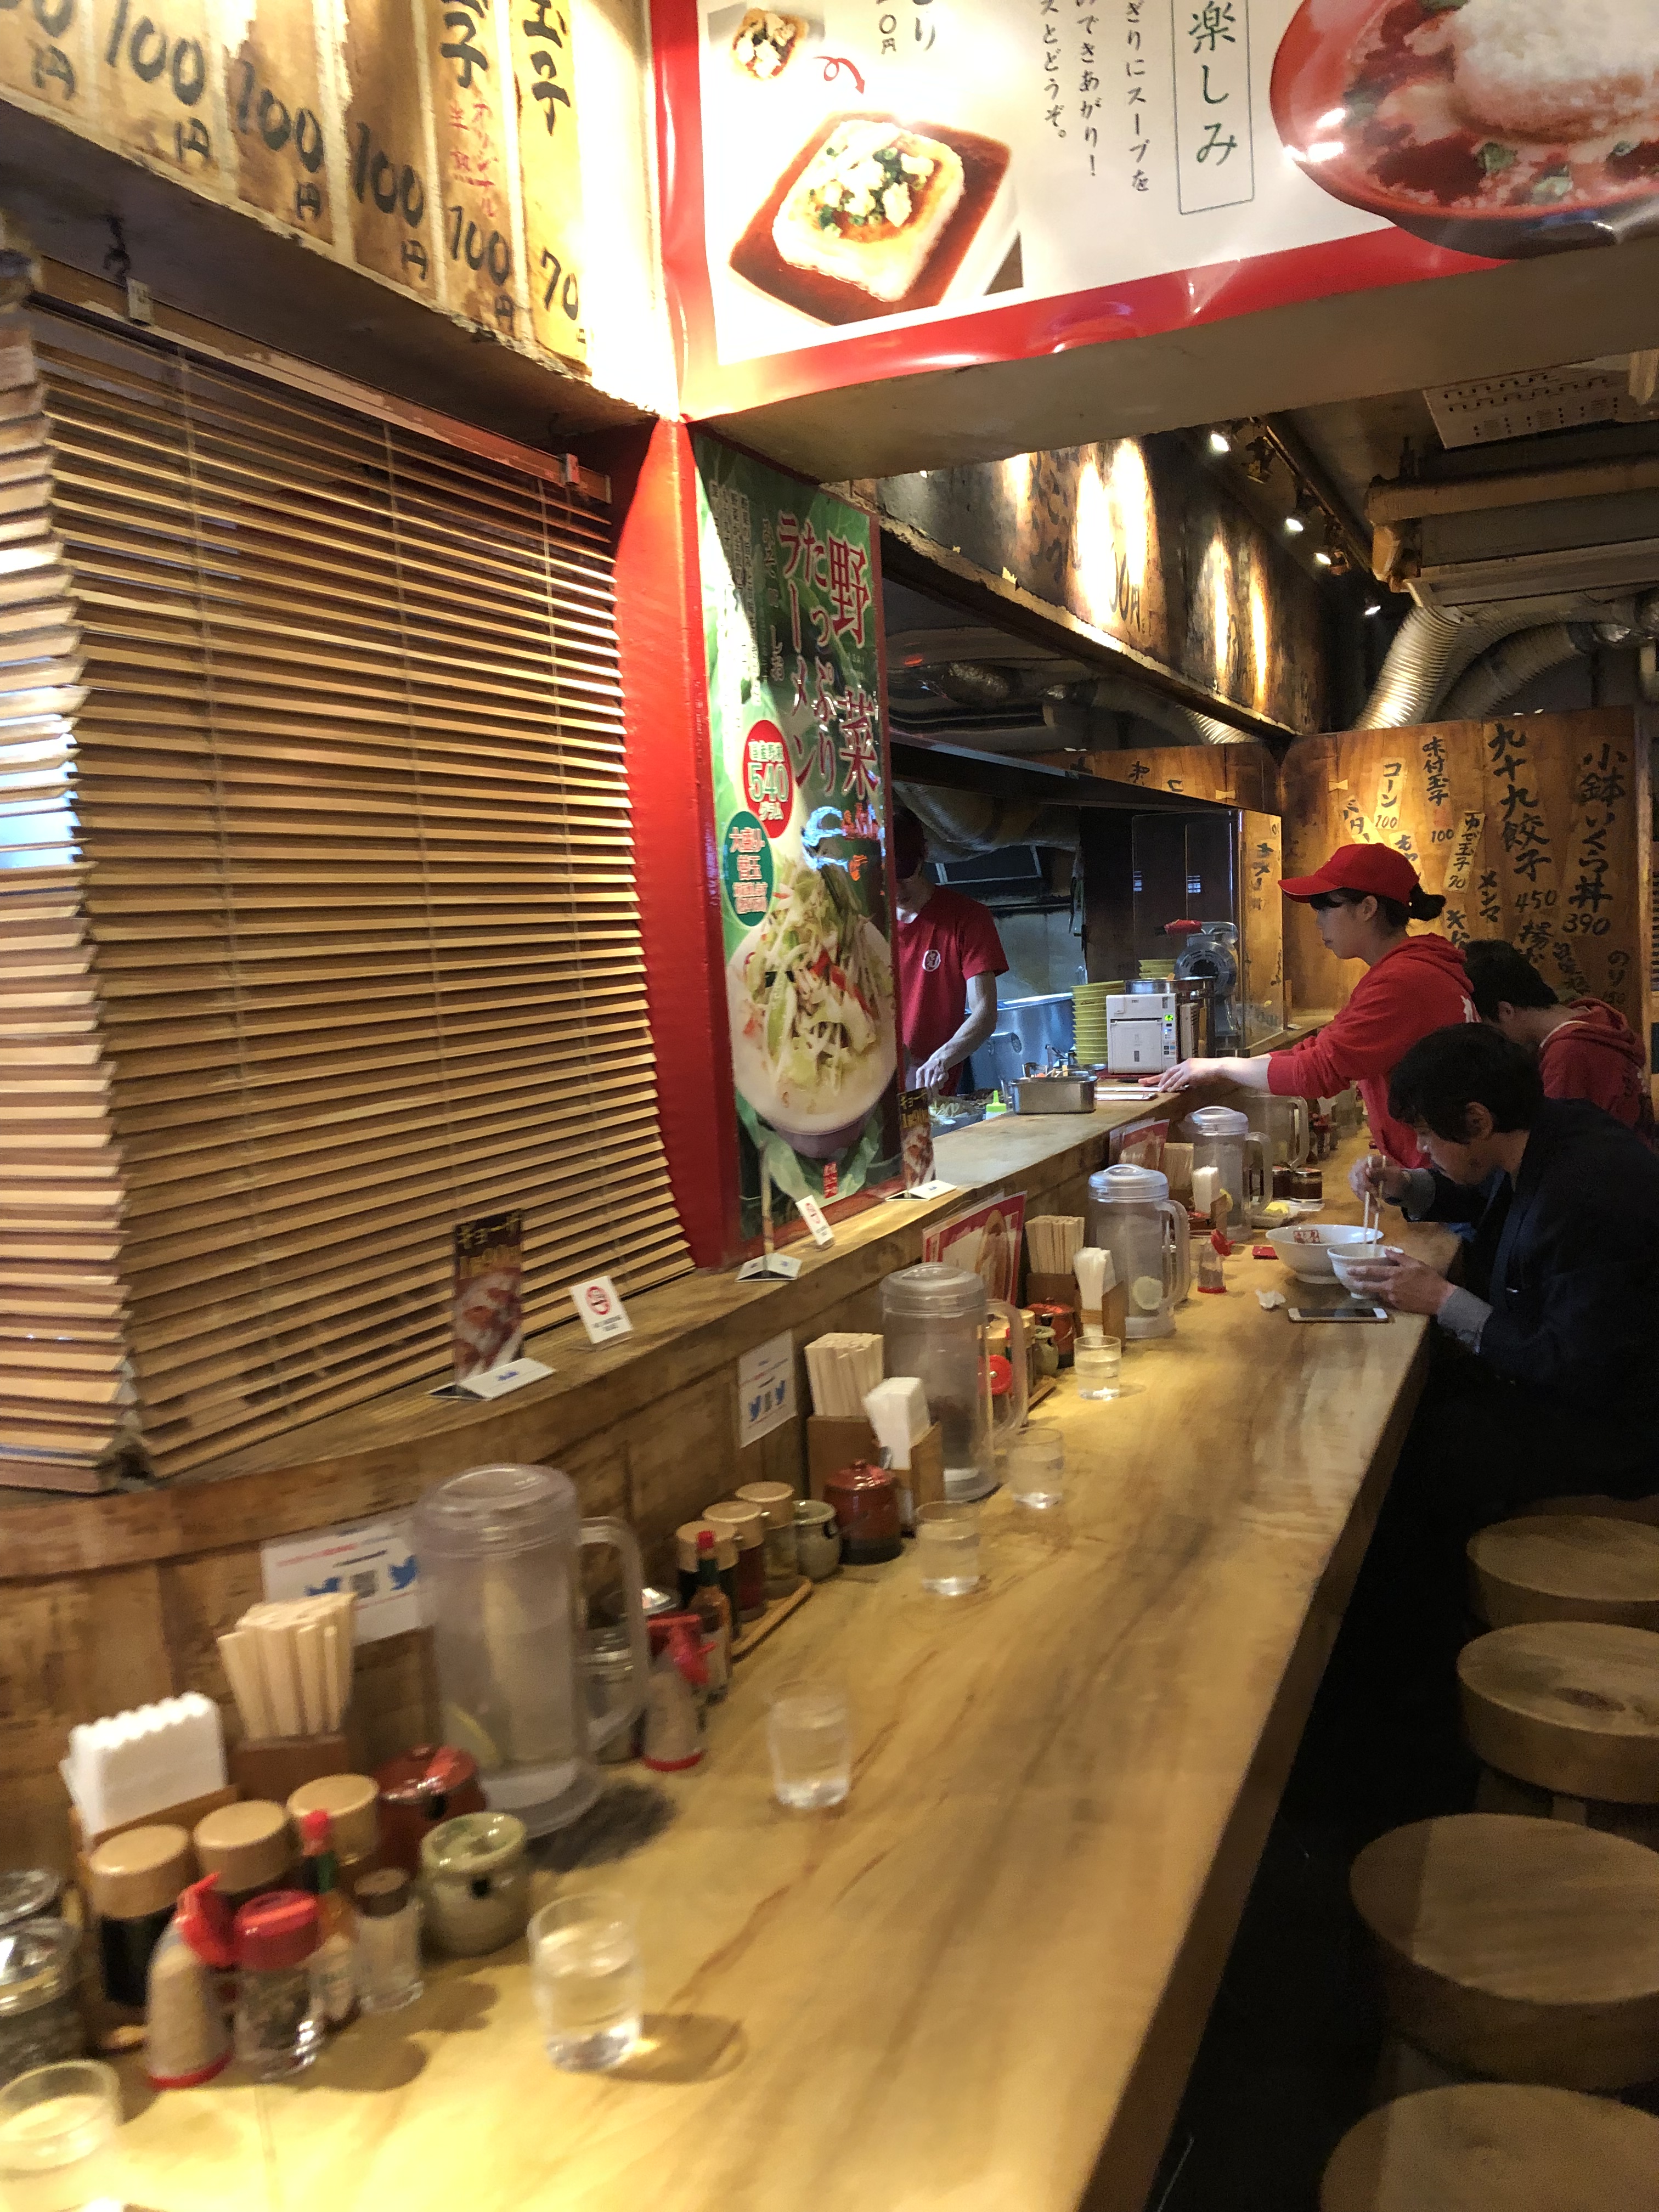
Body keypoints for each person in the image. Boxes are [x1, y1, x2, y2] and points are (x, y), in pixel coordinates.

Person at [1346, 1023, 1659, 1513]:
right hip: (1573, 1384)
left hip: (1615, 1428)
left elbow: (1572, 1363)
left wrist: (1444, 1300)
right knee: (1408, 1407)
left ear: (1477, 1120)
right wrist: (1407, 1185)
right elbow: (1492, 1202)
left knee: (1408, 1457)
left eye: (1426, 1134)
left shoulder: (1584, 1194)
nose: (1422, 1149)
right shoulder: (1552, 1131)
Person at [1151, 843, 1474, 1169]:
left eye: (1324, 906)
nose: (1318, 922)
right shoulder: (1410, 970)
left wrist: (1223, 1068)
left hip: (1448, 1176)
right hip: (1442, 1168)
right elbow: (1318, 1050)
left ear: (1367, 908)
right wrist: (1218, 1067)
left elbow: (1319, 1072)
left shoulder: (1402, 981)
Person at [1463, 938, 1654, 1144]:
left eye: (1487, 1026)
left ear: (1505, 1011)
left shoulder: (1566, 1055)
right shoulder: (1597, 1017)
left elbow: (1552, 1144)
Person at [891, 810, 1008, 1094]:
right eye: (886, 878)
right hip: (871, 1093)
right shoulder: (866, 925)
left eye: (905, 875)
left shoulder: (967, 918)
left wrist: (940, 1059)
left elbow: (984, 1013)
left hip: (933, 1094)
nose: (896, 888)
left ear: (924, 855)